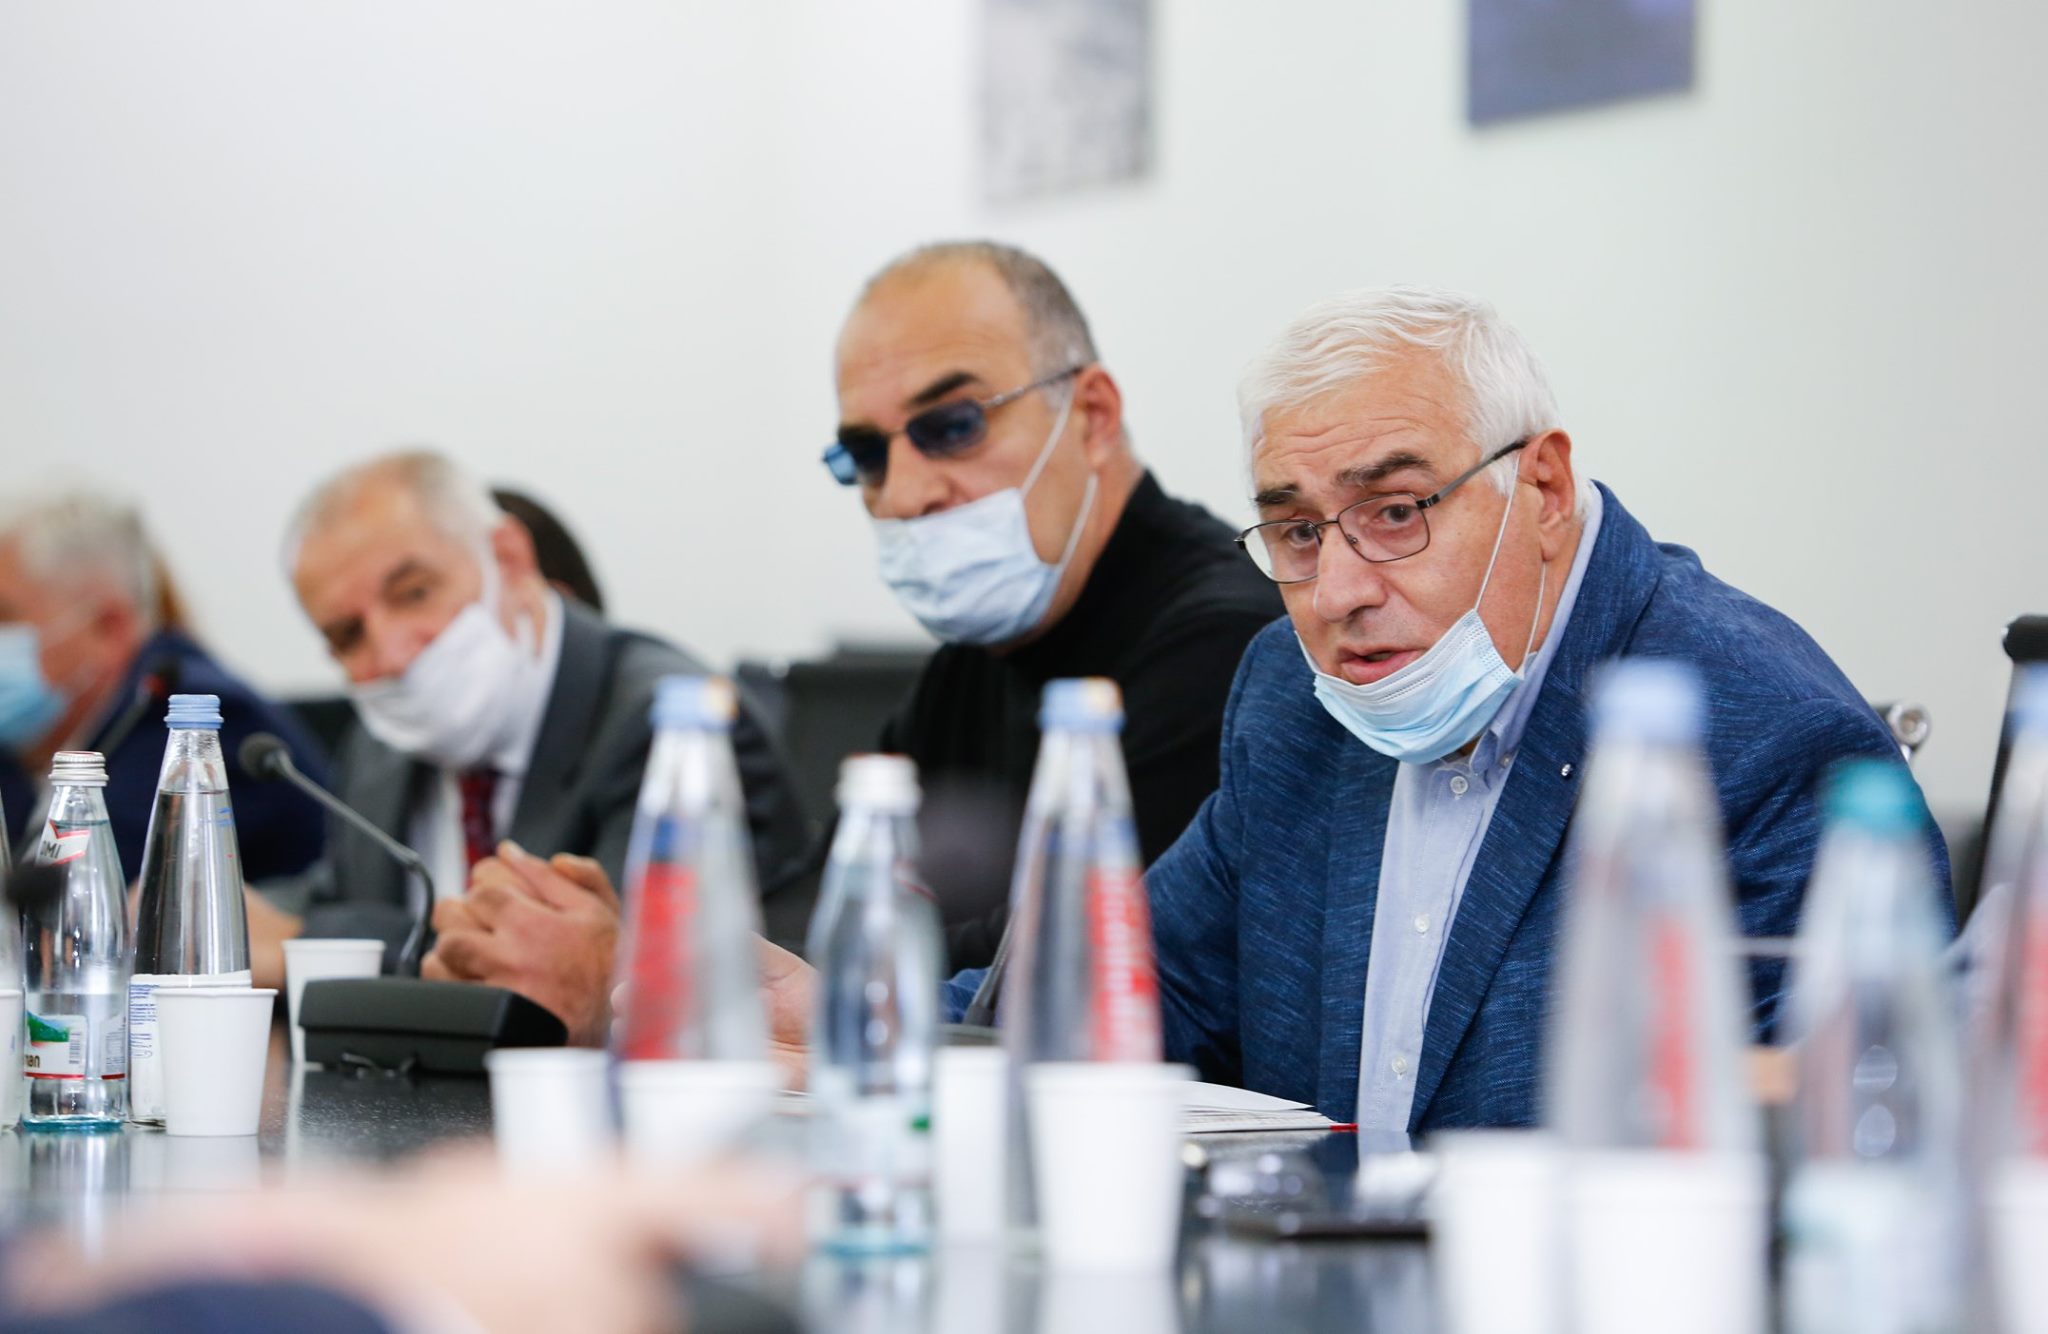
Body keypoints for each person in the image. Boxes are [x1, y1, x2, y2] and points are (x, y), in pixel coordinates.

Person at [755, 284, 1950, 1132]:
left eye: (1394, 512)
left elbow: (1835, 1153)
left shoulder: (1757, 734)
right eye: (1292, 529)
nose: (1334, 592)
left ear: (1539, 488)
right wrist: (869, 1018)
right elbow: (1136, 986)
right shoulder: (1293, 696)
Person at [831, 240, 1281, 966]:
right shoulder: (966, 670)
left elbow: (1082, 956)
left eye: (952, 425)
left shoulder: (1227, 648)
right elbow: (831, 903)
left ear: (1092, 416)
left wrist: (841, 968)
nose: (905, 495)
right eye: (867, 456)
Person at [257, 450, 808, 1038]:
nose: (391, 654)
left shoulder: (674, 729)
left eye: (414, 593)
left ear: (509, 558)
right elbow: (336, 897)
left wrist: (310, 942)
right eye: (349, 635)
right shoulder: (378, 748)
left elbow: (580, 970)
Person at [0, 493, 328, 880]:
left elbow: (75, 889)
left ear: (108, 627)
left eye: (5, 617)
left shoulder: (191, 720)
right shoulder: (34, 742)